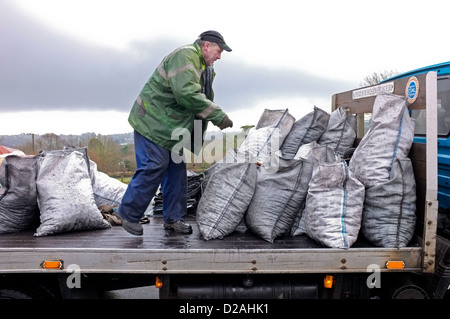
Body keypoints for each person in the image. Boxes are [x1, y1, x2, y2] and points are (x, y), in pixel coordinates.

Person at [118, 30, 234, 236]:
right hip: (153, 121)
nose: (219, 56)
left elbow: (202, 97)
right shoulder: (186, 55)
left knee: (176, 173)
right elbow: (186, 94)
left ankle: (173, 219)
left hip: (173, 128)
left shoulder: (205, 68)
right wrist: (218, 115)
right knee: (154, 165)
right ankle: (128, 214)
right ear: (206, 46)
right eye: (218, 51)